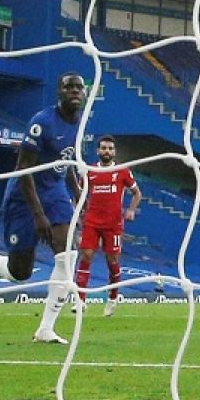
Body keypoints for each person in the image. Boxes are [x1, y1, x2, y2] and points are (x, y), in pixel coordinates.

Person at [0, 72, 86, 344]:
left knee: (68, 253)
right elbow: (23, 169)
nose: (75, 91)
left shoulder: (80, 124)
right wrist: (38, 214)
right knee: (20, 272)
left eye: (79, 87)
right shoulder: (42, 123)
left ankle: (46, 328)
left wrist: (77, 193)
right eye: (69, 87)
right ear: (59, 93)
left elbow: (67, 162)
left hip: (54, 192)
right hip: (24, 194)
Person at [72, 135, 142, 317]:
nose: (107, 151)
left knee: (112, 260)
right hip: (92, 222)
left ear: (114, 152)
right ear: (98, 151)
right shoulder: (89, 171)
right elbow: (79, 193)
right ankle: (80, 299)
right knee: (86, 254)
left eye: (110, 148)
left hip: (113, 224)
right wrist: (79, 212)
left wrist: (131, 210)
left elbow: (137, 193)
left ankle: (113, 297)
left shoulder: (122, 171)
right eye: (103, 148)